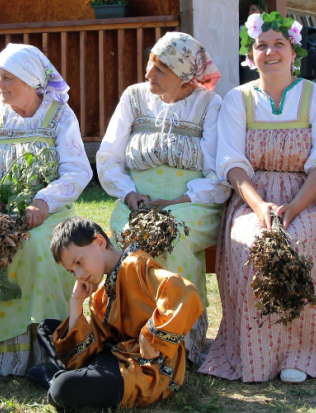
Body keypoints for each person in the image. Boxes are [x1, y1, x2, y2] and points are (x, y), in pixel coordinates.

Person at [199, 12, 316, 384]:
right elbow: (233, 163)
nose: (269, 51)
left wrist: (294, 208)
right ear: (250, 55)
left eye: (279, 44)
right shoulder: (238, 99)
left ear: (293, 52)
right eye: (261, 46)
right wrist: (261, 207)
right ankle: (259, 352)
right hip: (251, 198)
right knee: (251, 245)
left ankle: (300, 352)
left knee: (297, 246)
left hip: (306, 196)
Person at [0, 44, 93, 376]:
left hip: (47, 211)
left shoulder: (58, 115)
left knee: (39, 245)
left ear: (29, 80)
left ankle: (44, 347)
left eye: (8, 77)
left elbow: (78, 170)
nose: (0, 85)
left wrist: (43, 201)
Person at [96, 31, 228, 364]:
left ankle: (176, 341)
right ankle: (131, 332)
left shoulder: (209, 104)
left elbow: (218, 174)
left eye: (160, 69)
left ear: (186, 79)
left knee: (172, 234)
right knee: (131, 235)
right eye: (150, 63)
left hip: (193, 204)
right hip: (136, 203)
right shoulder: (133, 97)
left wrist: (178, 201)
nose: (148, 74)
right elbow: (108, 157)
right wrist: (129, 193)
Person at [26, 217, 204, 411]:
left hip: (145, 368)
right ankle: (73, 380)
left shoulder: (137, 265)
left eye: (79, 262)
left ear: (100, 242)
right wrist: (76, 302)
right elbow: (94, 345)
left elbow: (186, 293)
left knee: (63, 387)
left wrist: (151, 336)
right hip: (112, 356)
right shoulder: (100, 293)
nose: (78, 275)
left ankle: (56, 382)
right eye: (72, 271)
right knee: (47, 329)